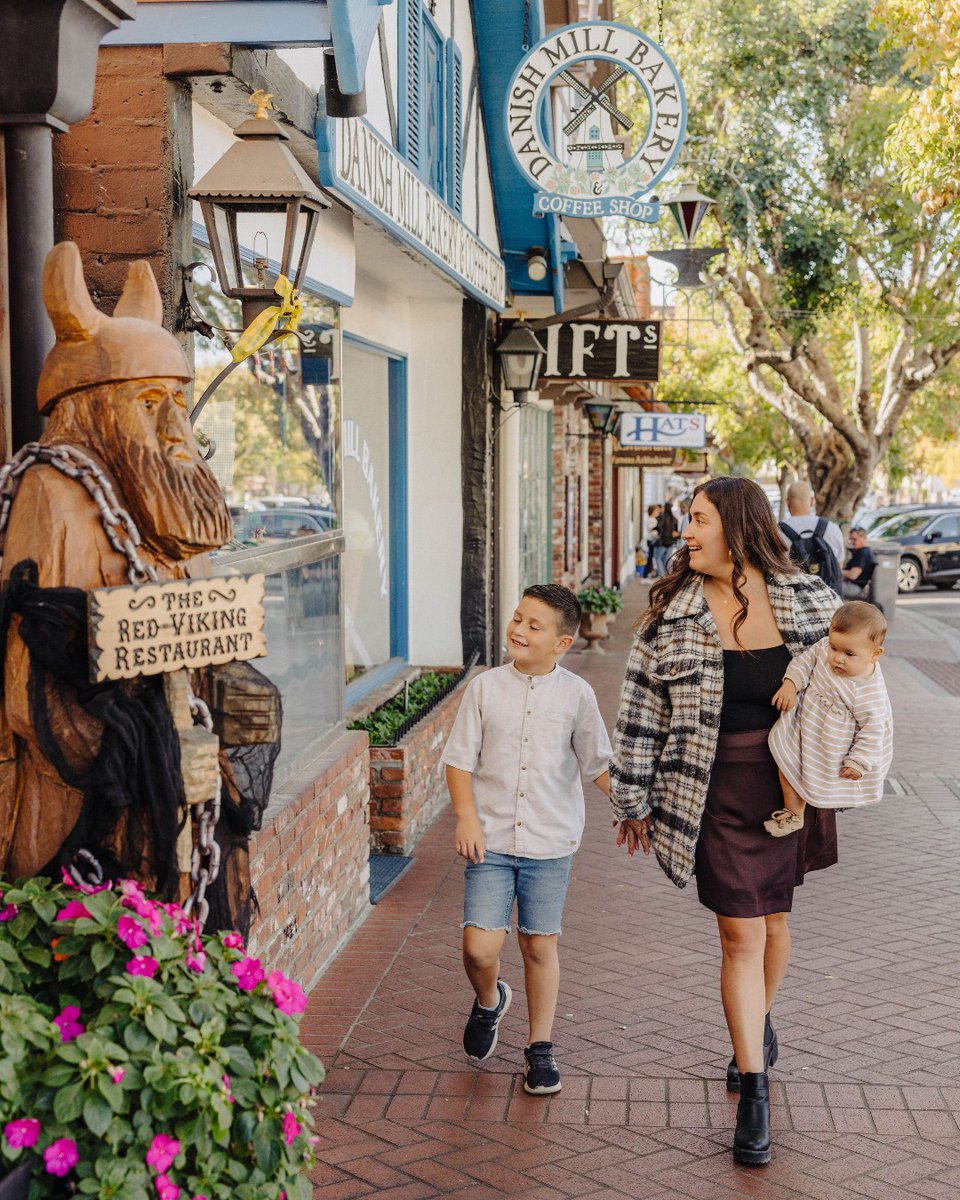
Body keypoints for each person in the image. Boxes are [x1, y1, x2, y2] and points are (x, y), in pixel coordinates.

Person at [609, 476, 840, 1167]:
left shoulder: (810, 599)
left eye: (699, 519)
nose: (687, 533)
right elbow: (640, 712)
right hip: (709, 786)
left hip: (787, 784)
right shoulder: (669, 615)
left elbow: (854, 683)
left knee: (773, 923)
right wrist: (633, 796)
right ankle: (754, 1084)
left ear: (738, 527)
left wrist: (855, 756)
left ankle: (756, 1021)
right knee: (740, 931)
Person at [442, 583, 611, 1096]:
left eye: (534, 626)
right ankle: (490, 1000)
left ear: (562, 644)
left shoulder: (577, 695)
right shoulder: (485, 688)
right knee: (478, 947)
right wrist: (466, 817)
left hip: (550, 843)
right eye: (518, 618)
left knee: (540, 946)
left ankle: (540, 1048)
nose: (518, 630)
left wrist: (635, 807)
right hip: (490, 840)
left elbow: (598, 763)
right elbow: (458, 759)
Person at [765, 601, 893, 837]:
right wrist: (791, 684)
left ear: (875, 654)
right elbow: (804, 662)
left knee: (810, 776)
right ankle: (793, 813)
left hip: (831, 742)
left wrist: (858, 761)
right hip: (806, 725)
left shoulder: (869, 691)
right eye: (835, 648)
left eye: (849, 654)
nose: (837, 658)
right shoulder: (824, 648)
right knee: (787, 763)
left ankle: (801, 814)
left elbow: (873, 731)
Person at [778, 481, 844, 596]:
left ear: (787, 502)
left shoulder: (776, 532)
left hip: (793, 604)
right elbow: (838, 569)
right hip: (830, 602)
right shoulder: (832, 528)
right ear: (812, 501)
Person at [842, 526, 876, 598]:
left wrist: (838, 571)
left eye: (854, 539)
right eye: (851, 539)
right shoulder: (862, 551)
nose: (852, 542)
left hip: (855, 587)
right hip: (852, 585)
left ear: (863, 538)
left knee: (830, 586)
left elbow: (853, 575)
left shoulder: (863, 553)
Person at [653, 501, 679, 577]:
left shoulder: (661, 518)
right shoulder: (674, 519)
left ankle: (662, 576)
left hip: (663, 543)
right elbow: (676, 533)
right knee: (667, 560)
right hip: (671, 543)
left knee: (658, 558)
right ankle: (667, 576)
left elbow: (657, 528)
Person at [643, 504, 661, 578]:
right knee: (650, 558)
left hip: (652, 541)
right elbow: (652, 531)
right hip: (651, 541)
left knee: (651, 558)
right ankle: (645, 575)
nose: (658, 512)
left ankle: (648, 574)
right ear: (653, 511)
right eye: (656, 510)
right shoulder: (651, 520)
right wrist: (658, 533)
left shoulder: (653, 519)